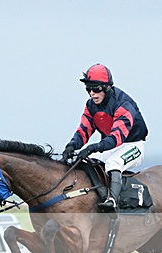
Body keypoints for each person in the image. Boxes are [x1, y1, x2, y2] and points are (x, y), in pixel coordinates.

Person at [61, 63, 148, 212]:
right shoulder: (90, 105)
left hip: (133, 145)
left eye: (96, 89)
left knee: (114, 163)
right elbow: (84, 130)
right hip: (111, 145)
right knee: (86, 161)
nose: (92, 94)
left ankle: (112, 201)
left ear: (107, 87)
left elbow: (116, 137)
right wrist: (72, 145)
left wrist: (93, 147)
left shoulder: (123, 104)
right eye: (88, 89)